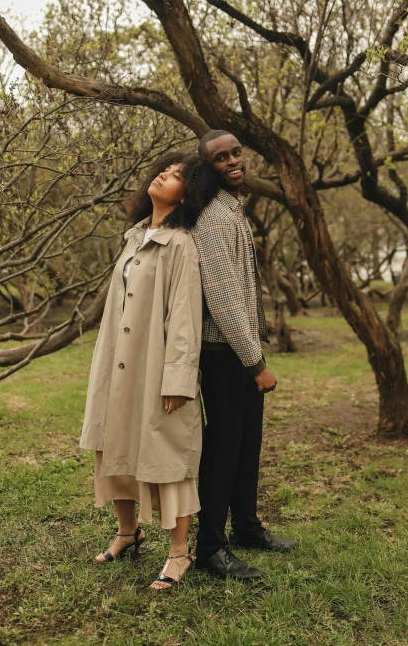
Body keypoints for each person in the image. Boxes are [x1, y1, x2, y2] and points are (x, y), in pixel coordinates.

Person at [80, 151, 218, 591]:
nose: (164, 175)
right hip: (117, 358)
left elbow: (184, 317)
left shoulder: (181, 244)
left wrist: (177, 379)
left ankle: (180, 553)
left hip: (155, 363)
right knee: (115, 442)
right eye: (164, 169)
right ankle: (128, 532)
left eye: (177, 175)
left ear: (188, 193)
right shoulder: (135, 236)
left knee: (167, 455)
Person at [192, 130, 296, 581]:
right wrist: (256, 363)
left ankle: (247, 528)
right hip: (225, 355)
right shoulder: (214, 220)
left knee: (247, 445)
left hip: (239, 351)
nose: (233, 160)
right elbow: (224, 298)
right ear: (207, 167)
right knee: (223, 451)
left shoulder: (232, 209)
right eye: (221, 158)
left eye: (236, 152)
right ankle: (211, 549)